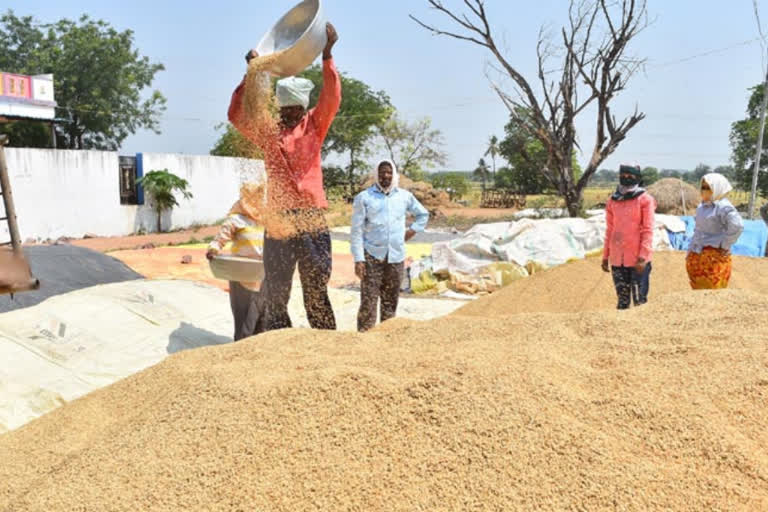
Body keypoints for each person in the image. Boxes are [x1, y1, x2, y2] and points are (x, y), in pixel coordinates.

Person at [228, 23, 341, 332]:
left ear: (303, 109)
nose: (289, 115)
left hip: (311, 217)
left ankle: (326, 342)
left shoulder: (315, 126)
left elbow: (331, 98)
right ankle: (280, 341)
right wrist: (251, 74)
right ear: (278, 108)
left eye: (295, 110)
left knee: (316, 286)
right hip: (279, 219)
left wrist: (327, 55)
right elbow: (237, 116)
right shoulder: (268, 133)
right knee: (277, 289)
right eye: (285, 110)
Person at [351, 160, 429, 332]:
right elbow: (356, 231)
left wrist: (411, 231)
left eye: (389, 172)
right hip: (372, 255)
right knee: (368, 301)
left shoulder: (404, 196)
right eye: (382, 172)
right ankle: (364, 338)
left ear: (394, 175)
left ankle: (386, 337)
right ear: (376, 175)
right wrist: (359, 259)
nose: (385, 176)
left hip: (396, 256)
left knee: (391, 300)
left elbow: (423, 215)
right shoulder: (364, 198)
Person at [207, 183, 266, 341]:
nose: (257, 201)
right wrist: (213, 249)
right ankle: (241, 350)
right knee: (243, 318)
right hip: (241, 274)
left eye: (259, 197)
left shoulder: (265, 219)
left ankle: (259, 351)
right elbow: (220, 239)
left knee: (261, 317)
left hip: (262, 274)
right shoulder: (235, 219)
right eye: (253, 198)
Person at [601, 164, 657, 310]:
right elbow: (610, 230)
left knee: (639, 301)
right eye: (623, 175)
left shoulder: (645, 200)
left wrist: (643, 257)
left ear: (638, 177)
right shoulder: (613, 200)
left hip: (638, 259)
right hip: (617, 258)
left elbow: (648, 229)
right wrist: (605, 256)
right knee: (622, 301)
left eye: (630, 175)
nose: (626, 177)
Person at [686, 173, 744, 290]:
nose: (704, 191)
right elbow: (698, 231)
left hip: (714, 260)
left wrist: (725, 244)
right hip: (697, 254)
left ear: (718, 189)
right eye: (703, 187)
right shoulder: (702, 207)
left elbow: (737, 226)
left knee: (713, 295)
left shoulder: (723, 207)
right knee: (698, 295)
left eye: (708, 188)